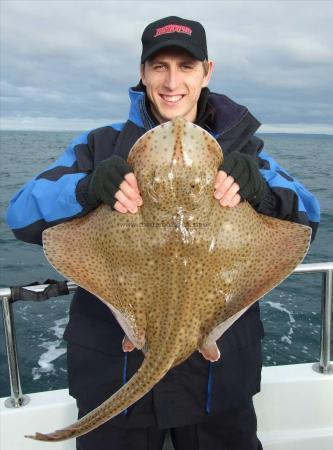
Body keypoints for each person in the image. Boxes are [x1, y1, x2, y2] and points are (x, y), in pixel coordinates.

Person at [7, 16, 320, 450]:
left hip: (217, 382)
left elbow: (309, 217)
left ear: (206, 72)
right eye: (159, 66)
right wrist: (84, 187)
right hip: (117, 374)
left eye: (186, 66)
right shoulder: (99, 146)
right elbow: (21, 216)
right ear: (142, 72)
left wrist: (260, 190)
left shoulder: (244, 151)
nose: (172, 80)